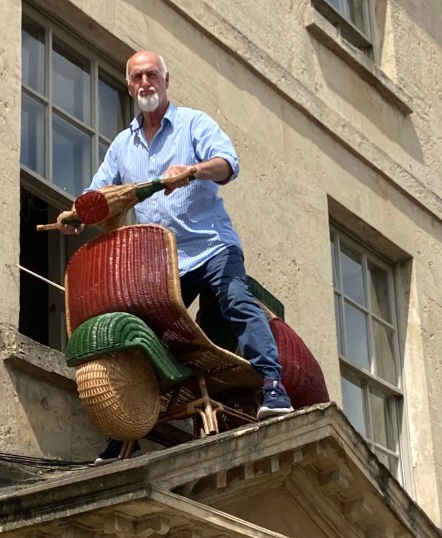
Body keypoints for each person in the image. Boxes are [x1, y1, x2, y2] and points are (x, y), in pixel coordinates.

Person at [59, 50, 294, 462]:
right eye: (136, 77)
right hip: (165, 262)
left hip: (210, 246)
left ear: (166, 79)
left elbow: (228, 164)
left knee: (236, 300)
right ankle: (124, 432)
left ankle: (274, 385)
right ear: (130, 86)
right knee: (145, 336)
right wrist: (77, 214)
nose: (145, 82)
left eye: (152, 74)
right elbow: (100, 196)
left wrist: (194, 170)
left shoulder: (193, 124)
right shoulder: (122, 145)